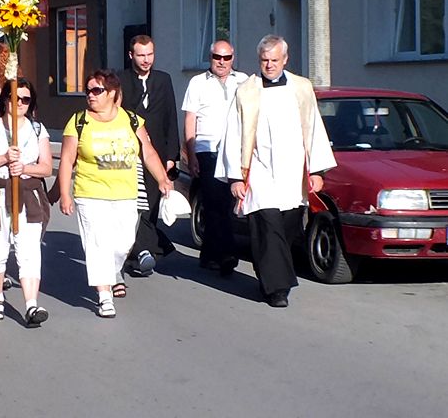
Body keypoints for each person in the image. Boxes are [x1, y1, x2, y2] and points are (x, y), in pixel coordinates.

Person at [216, 35, 336, 308]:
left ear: (285, 60)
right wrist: (235, 176)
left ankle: (268, 276)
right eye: (264, 60)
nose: (269, 65)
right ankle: (278, 288)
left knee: (287, 227)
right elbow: (234, 133)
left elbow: (314, 127)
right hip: (259, 170)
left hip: (292, 173)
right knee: (267, 224)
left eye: (274, 60)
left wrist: (317, 171)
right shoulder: (247, 90)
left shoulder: (301, 88)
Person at [58, 70, 171, 318]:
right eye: (87, 90)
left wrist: (162, 178)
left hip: (125, 194)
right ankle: (104, 295)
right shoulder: (78, 121)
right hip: (90, 193)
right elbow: (67, 160)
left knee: (123, 244)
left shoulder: (131, 120)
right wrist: (65, 194)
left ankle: (113, 270)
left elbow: (148, 152)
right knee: (98, 243)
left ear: (112, 93)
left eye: (96, 90)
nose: (90, 95)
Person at [0, 78, 51, 326]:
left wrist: (25, 167)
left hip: (27, 193)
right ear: (5, 99)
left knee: (29, 252)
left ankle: (31, 305)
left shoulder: (38, 129)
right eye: (15, 98)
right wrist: (4, 158)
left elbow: (46, 167)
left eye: (26, 100)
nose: (20, 104)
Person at [182, 40, 248, 276]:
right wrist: (191, 155)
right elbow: (190, 119)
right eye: (217, 57)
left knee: (227, 204)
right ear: (210, 57)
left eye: (227, 57)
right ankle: (227, 254)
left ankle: (209, 254)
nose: (222, 62)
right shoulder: (198, 83)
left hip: (236, 151)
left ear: (233, 58)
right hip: (207, 149)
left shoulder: (244, 81)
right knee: (215, 203)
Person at [117, 35, 180, 277]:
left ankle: (143, 250)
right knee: (135, 203)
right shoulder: (121, 80)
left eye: (150, 54)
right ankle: (143, 251)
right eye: (141, 55)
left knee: (152, 204)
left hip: (158, 152)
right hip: (129, 152)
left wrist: (172, 156)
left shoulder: (163, 80)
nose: (146, 60)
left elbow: (170, 118)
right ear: (131, 55)